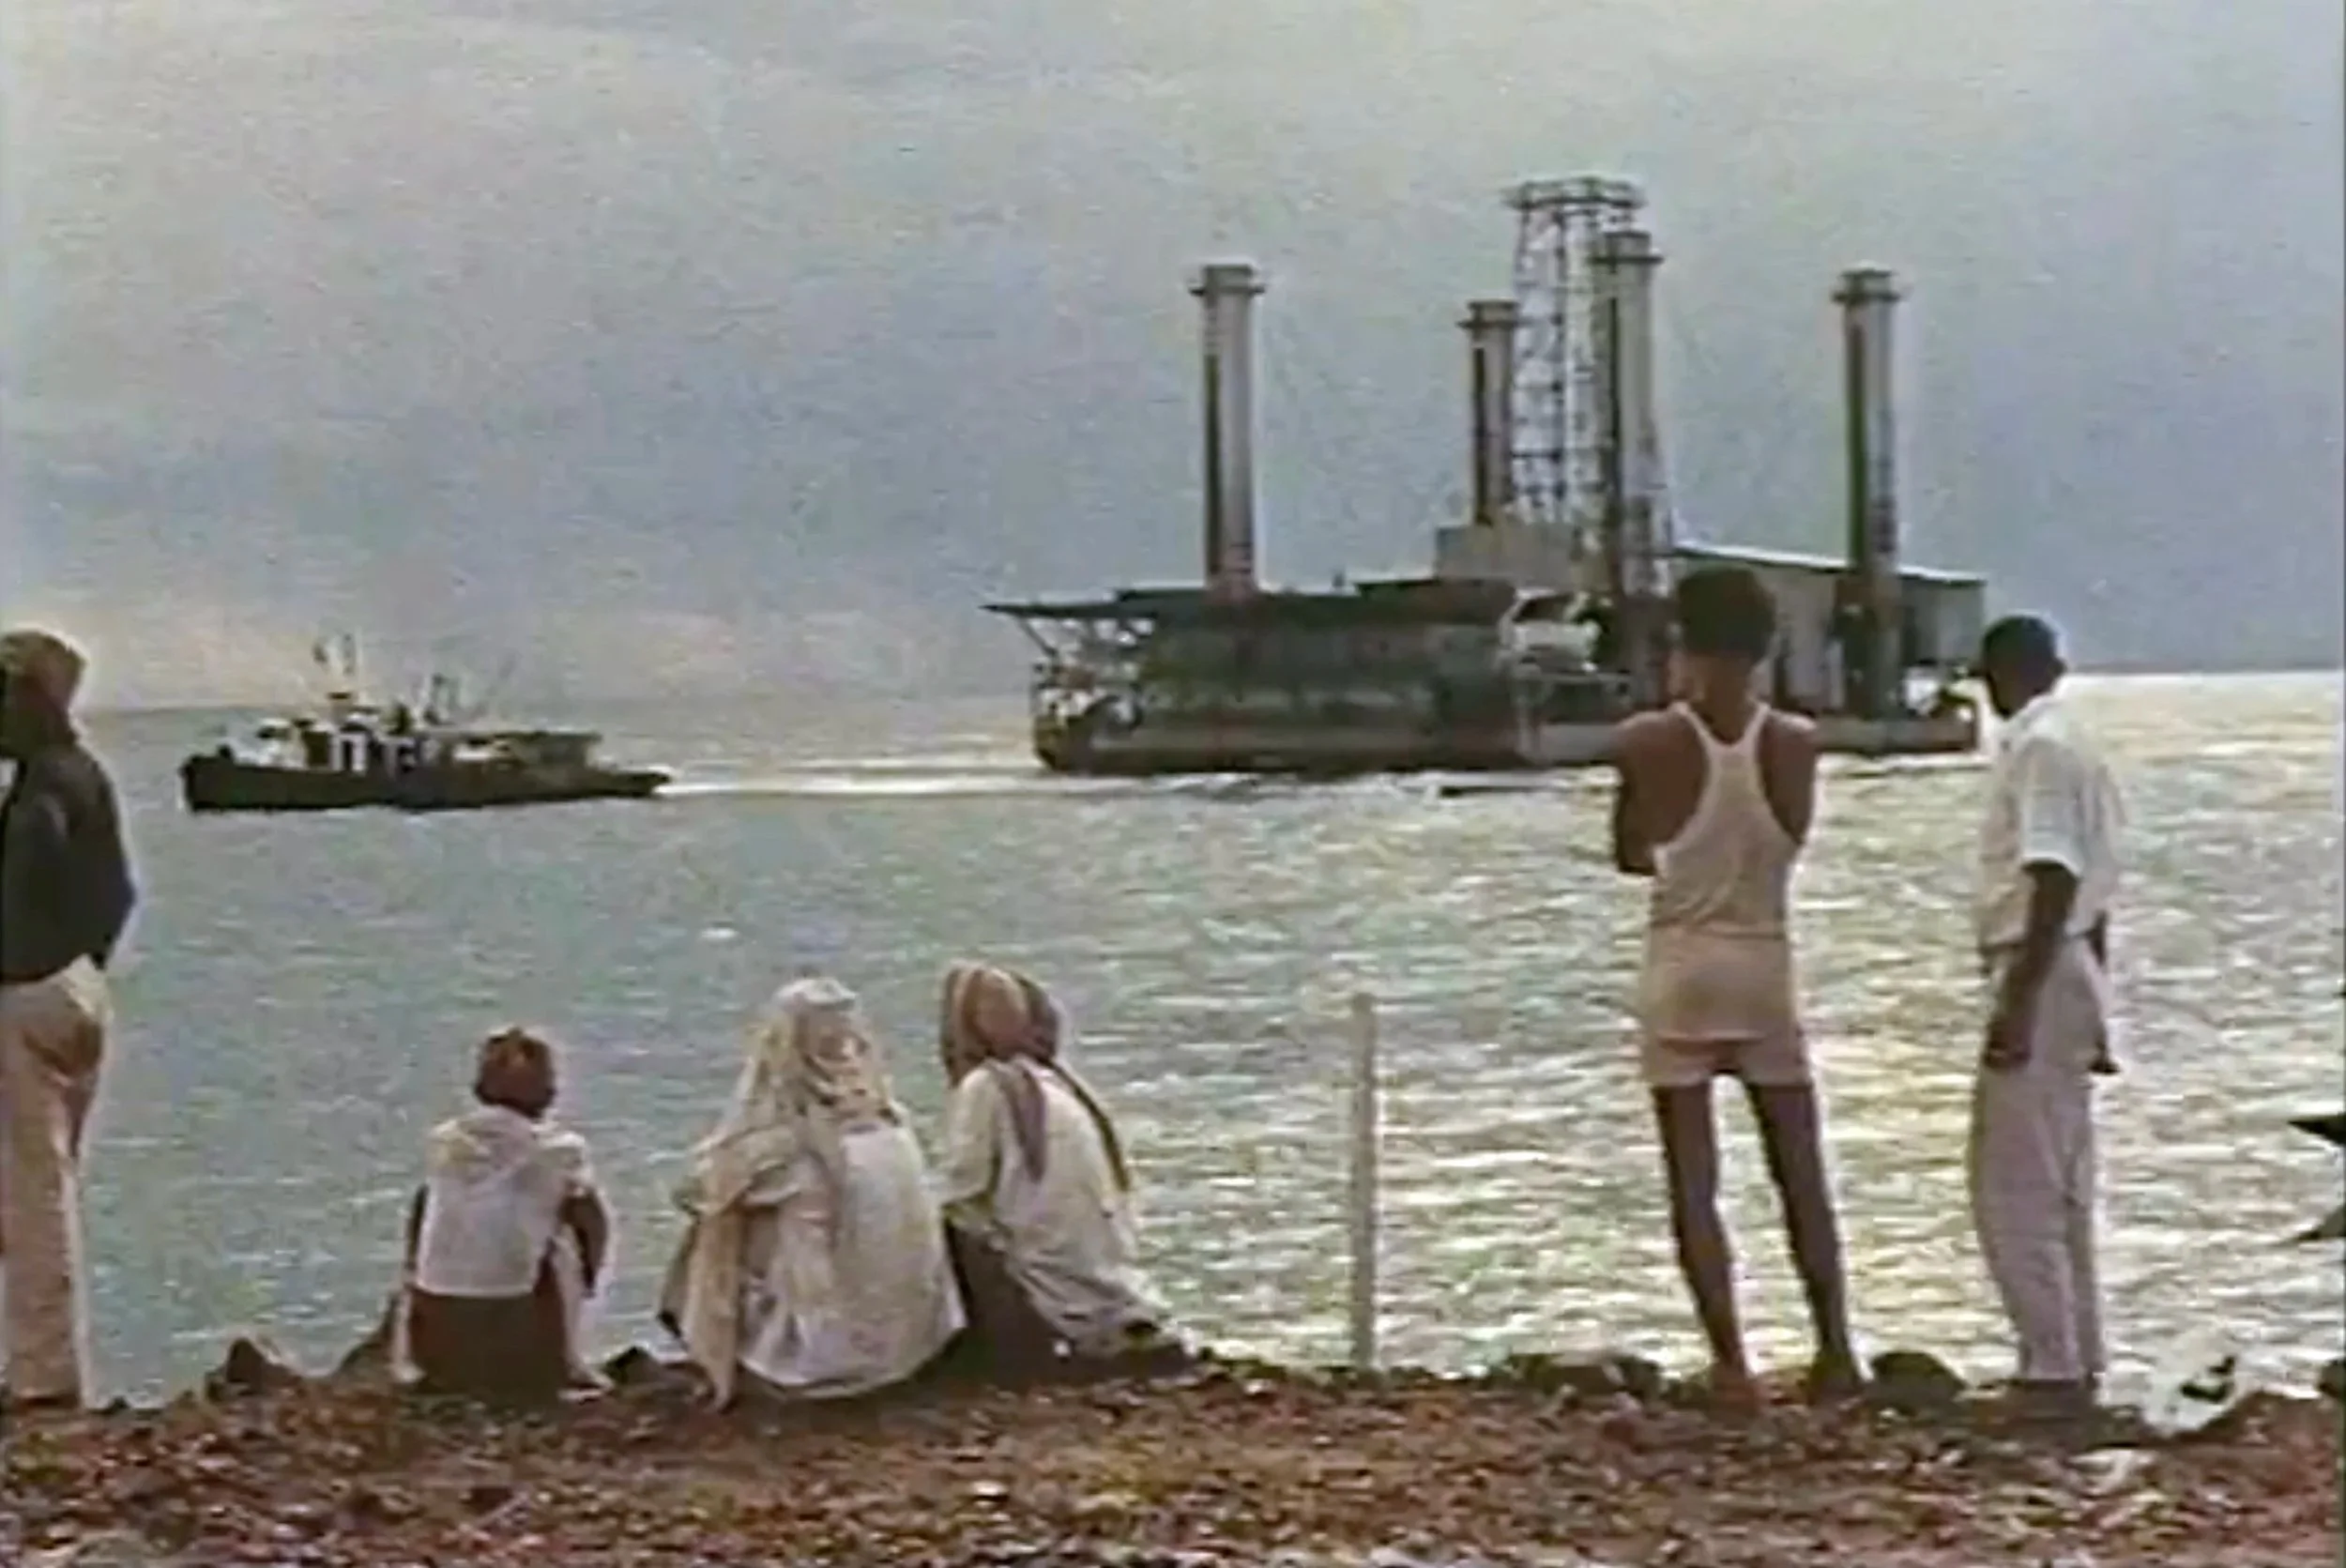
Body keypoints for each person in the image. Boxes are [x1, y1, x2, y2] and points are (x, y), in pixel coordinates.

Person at [1609, 567, 1861, 1409]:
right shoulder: (1795, 743)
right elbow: (1789, 839)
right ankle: (1835, 1348)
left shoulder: (1648, 740)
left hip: (1682, 963)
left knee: (1695, 1182)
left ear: (1682, 643)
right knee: (1800, 1172)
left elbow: (1630, 851)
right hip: (1763, 962)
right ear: (1766, 648)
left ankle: (1730, 1362)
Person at [658, 976, 962, 1408]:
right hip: (915, 1347)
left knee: (718, 1224)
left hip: (829, 1362)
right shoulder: (891, 1121)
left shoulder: (789, 1147)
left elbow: (693, 1192)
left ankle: (723, 1356)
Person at [1968, 614, 2125, 1419]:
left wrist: (2018, 1002)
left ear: (1999, 675)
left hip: (2038, 963)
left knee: (2014, 1182)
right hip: (2073, 966)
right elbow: (2095, 895)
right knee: (2065, 1181)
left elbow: (2053, 876)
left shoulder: (2038, 749)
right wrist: (2101, 1006)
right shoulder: (2080, 747)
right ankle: (2078, 1352)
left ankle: (2049, 1366)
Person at [0, 628, 136, 1414]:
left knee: (32, 1192)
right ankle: (37, 1363)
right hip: (76, 987)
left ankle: (42, 1378)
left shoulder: (41, 787)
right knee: (39, 1178)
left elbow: (31, 860)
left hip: (23, 991)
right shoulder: (87, 775)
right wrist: (81, 963)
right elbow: (117, 893)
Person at [935, 962, 1174, 1378]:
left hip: (1050, 1279)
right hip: (1109, 1275)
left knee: (939, 1231)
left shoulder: (986, 1087)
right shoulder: (1060, 1084)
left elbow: (962, 1190)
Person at [395, 1028, 611, 1404]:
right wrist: (590, 1278)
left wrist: (415, 1271)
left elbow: (420, 1213)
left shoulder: (447, 1142)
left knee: (451, 1212)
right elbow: (593, 1225)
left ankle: (420, 1351)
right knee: (563, 1236)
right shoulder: (558, 1150)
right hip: (513, 1335)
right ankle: (564, 1362)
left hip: (435, 1335)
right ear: (548, 1090)